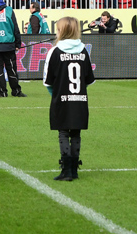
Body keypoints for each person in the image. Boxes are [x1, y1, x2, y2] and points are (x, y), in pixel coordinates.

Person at [42, 16, 95, 181]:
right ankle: (74, 169)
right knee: (76, 132)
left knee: (63, 132)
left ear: (61, 31)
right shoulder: (84, 50)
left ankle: (66, 170)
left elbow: (47, 81)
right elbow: (88, 79)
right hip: (80, 100)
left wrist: (56, 95)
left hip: (61, 99)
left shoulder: (54, 51)